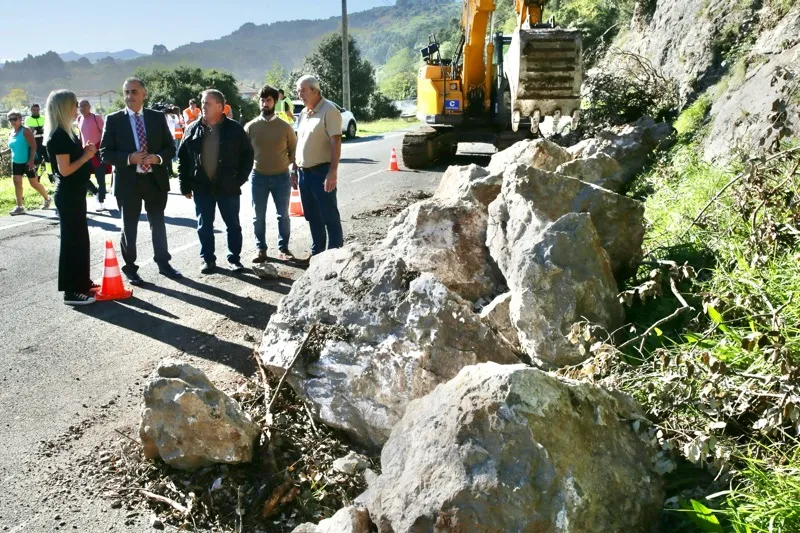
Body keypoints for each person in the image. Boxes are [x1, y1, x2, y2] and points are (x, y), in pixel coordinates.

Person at [99, 77, 181, 285]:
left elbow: (170, 148)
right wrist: (128, 158)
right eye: (126, 92)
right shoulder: (114, 119)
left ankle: (164, 263)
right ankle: (131, 268)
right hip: (128, 182)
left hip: (154, 180)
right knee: (129, 227)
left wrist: (158, 158)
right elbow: (104, 153)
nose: (129, 96)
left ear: (144, 94)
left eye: (134, 92)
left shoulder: (156, 117)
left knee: (158, 223)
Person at [178, 89, 254, 274]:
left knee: (233, 225)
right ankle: (208, 260)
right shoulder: (192, 129)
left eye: (207, 103)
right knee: (204, 226)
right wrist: (185, 185)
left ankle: (234, 259)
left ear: (220, 107)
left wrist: (239, 180)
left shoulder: (235, 129)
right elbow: (183, 158)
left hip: (228, 186)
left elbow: (248, 155)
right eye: (202, 103)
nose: (202, 106)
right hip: (202, 186)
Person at [44, 90, 97, 305]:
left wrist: (83, 151)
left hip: (75, 192)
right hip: (68, 194)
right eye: (74, 104)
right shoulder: (58, 135)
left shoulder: (68, 132)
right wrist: (86, 156)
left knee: (80, 239)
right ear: (65, 107)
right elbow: (64, 170)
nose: (78, 107)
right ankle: (71, 291)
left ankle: (82, 282)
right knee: (71, 242)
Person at [292, 75, 343, 256]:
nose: (300, 94)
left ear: (315, 90)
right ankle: (318, 254)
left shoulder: (329, 110)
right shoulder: (304, 113)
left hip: (322, 172)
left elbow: (335, 141)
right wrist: (294, 169)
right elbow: (299, 142)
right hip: (304, 174)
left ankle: (334, 255)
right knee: (313, 217)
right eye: (298, 91)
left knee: (329, 216)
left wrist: (332, 172)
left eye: (303, 90)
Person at [244, 85, 297, 263]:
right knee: (258, 216)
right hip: (258, 177)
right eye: (262, 100)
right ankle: (261, 249)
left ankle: (284, 249)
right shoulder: (250, 127)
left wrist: (289, 168)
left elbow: (293, 151)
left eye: (269, 100)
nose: (265, 103)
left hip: (281, 177)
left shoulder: (285, 127)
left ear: (275, 102)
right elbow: (244, 153)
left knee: (283, 214)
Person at [6, 109, 52, 215]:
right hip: (16, 162)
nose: (12, 121)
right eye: (10, 119)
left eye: (14, 119)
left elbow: (34, 145)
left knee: (34, 183)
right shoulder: (11, 133)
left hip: (27, 162)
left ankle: (47, 198)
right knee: (17, 183)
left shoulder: (25, 130)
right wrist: (2, 153)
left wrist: (31, 160)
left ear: (20, 119)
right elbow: (12, 148)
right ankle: (19, 207)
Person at [77, 100, 108, 211]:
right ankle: (96, 192)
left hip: (97, 152)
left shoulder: (96, 118)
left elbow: (105, 134)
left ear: (89, 107)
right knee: (82, 176)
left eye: (84, 106)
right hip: (85, 153)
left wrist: (99, 149)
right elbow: (81, 136)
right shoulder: (79, 119)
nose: (82, 108)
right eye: (80, 106)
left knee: (100, 178)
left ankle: (101, 201)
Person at [24, 103, 48, 171]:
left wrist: (38, 129)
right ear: (31, 110)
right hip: (35, 140)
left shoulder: (43, 118)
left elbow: (46, 127)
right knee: (38, 159)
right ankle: (36, 174)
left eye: (37, 110)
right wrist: (38, 129)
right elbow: (30, 129)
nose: (36, 111)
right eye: (34, 110)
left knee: (48, 158)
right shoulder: (28, 119)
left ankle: (50, 174)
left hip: (44, 140)